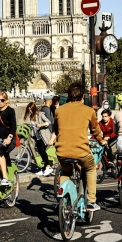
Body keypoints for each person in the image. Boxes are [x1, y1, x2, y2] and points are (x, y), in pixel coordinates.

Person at [49, 83, 106, 211]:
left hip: (62, 152)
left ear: (68, 96)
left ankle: (62, 202)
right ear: (83, 96)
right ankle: (91, 201)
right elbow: (95, 131)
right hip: (81, 152)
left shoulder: (59, 110)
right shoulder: (89, 110)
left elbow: (57, 129)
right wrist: (101, 140)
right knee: (91, 168)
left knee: (66, 171)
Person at [23, 102, 53, 176]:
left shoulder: (40, 114)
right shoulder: (31, 116)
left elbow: (48, 122)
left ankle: (48, 166)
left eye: (30, 110)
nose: (30, 111)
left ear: (33, 108)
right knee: (39, 151)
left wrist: (41, 125)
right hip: (37, 137)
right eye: (29, 110)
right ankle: (43, 169)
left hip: (44, 136)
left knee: (42, 150)